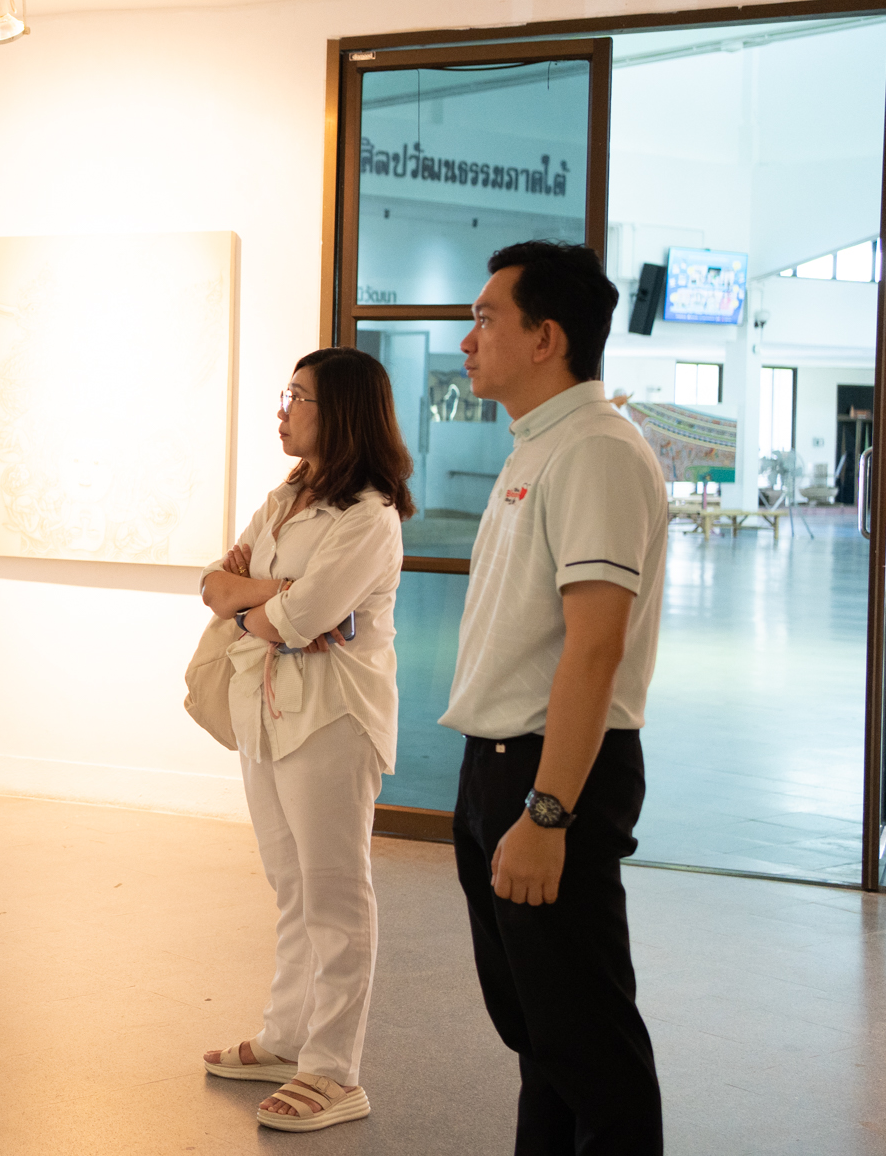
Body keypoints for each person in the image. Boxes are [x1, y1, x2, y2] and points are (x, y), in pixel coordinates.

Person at [444, 241, 668, 1153]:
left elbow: (595, 647)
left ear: (547, 337)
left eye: (486, 317)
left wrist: (547, 812)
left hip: (553, 772)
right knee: (544, 1040)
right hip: (499, 764)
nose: (467, 339)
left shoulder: (597, 451)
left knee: (591, 1047)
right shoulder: (538, 443)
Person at [197, 347, 412, 1134]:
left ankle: (334, 1067)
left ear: (342, 412)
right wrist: (273, 598)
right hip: (268, 710)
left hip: (332, 720)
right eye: (284, 393)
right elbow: (215, 584)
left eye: (298, 395)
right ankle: (287, 1036)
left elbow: (303, 616)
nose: (282, 409)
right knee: (291, 885)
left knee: (336, 895)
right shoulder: (286, 497)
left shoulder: (370, 516)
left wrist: (273, 604)